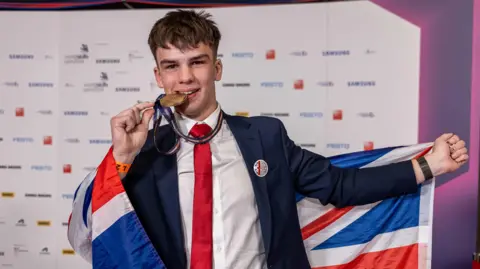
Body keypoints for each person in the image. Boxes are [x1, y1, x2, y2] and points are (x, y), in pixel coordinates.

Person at [68, 9, 469, 269]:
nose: (185, 78)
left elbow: (340, 184)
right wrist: (120, 157)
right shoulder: (141, 151)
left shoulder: (265, 136)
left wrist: (428, 165)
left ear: (217, 68)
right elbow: (91, 226)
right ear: (158, 77)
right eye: (171, 66)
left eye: (197, 62)